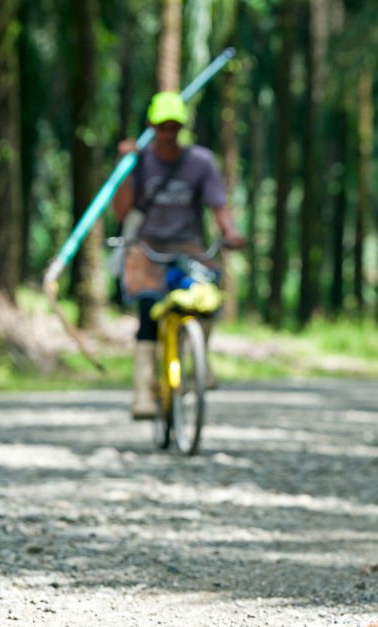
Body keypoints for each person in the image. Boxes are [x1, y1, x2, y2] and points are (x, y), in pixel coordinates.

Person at [112, 91, 246, 420]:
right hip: (147, 245)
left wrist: (229, 233)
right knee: (147, 308)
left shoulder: (200, 161)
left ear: (182, 128)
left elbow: (218, 207)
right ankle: (143, 392)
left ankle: (196, 361)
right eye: (162, 128)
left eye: (174, 127)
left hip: (188, 245)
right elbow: (121, 211)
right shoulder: (139, 162)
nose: (168, 134)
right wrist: (126, 168)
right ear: (152, 127)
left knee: (205, 300)